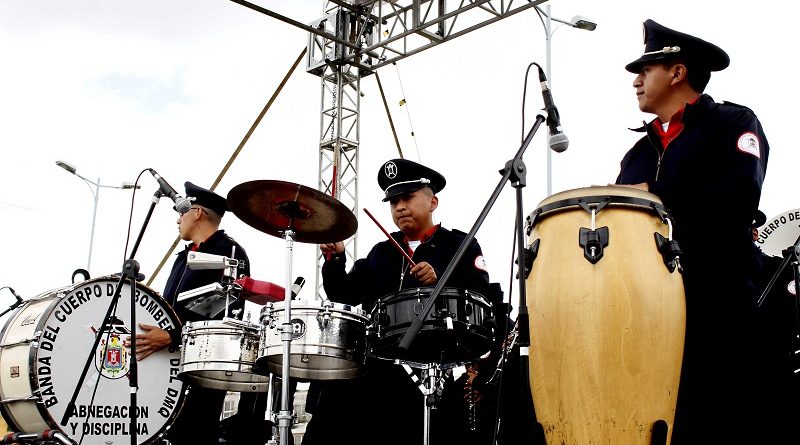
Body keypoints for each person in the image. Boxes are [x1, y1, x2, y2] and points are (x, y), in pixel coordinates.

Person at [614, 19, 792, 442]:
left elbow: (738, 195)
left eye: (646, 70)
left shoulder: (733, 122)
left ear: (677, 72)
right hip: (651, 317)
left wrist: (655, 193)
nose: (636, 81)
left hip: (721, 308)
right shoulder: (636, 154)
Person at [301, 158, 492, 445]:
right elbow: (343, 294)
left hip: (439, 361)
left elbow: (482, 294)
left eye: (407, 198)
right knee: (331, 405)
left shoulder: (460, 244)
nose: (399, 206)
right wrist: (335, 258)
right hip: (382, 365)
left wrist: (441, 280)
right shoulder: (381, 252)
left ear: (433, 202)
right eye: (393, 202)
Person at [125, 182, 263, 445]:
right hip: (170, 364)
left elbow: (227, 318)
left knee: (193, 435)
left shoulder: (230, 251)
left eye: (182, 213)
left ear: (197, 212)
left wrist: (173, 336)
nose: (178, 220)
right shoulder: (184, 256)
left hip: (203, 371)